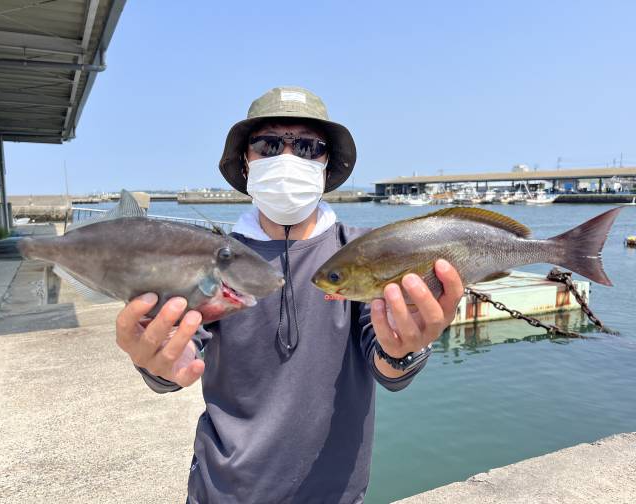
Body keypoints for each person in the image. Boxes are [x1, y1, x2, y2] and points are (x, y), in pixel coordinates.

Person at [116, 86, 464, 503]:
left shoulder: (363, 252)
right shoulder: (214, 258)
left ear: (326, 167)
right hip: (225, 491)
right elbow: (182, 348)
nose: (287, 157)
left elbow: (387, 360)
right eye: (268, 145)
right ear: (246, 163)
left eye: (308, 147)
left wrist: (403, 349)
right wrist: (160, 359)